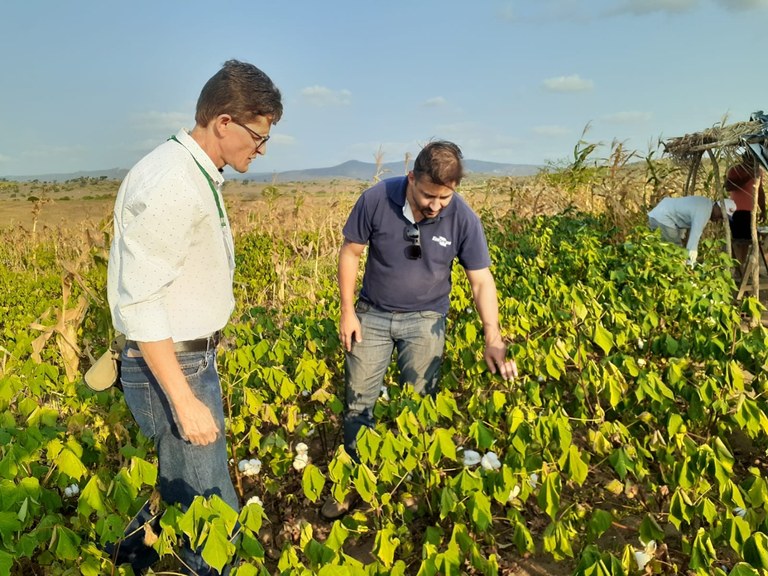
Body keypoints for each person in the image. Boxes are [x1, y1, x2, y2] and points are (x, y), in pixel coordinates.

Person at [107, 60, 282, 574]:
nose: (262, 148)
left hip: (183, 359)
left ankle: (126, 558)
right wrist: (183, 400)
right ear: (223, 122)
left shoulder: (192, 172)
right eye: (257, 135)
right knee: (209, 506)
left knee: (171, 486)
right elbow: (139, 301)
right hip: (174, 366)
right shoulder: (172, 183)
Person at [321, 140, 518, 520]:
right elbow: (350, 252)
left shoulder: (462, 216)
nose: (435, 205)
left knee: (419, 407)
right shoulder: (377, 198)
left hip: (426, 320)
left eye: (444, 197)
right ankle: (351, 486)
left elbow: (481, 281)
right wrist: (347, 312)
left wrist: (492, 336)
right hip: (371, 317)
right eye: (428, 195)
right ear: (411, 177)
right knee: (359, 405)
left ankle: (409, 484)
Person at [647, 196, 736, 266]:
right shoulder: (704, 211)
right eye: (721, 215)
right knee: (675, 251)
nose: (719, 219)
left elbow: (682, 215)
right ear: (718, 207)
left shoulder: (706, 203)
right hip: (663, 217)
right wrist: (691, 263)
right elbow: (694, 237)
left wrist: (681, 237)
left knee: (661, 249)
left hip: (659, 215)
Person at [726, 151, 765, 269]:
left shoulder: (758, 171)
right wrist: (748, 176)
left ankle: (742, 267)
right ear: (744, 159)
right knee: (737, 241)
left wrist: (763, 210)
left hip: (750, 211)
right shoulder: (735, 170)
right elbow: (729, 186)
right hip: (735, 211)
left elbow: (760, 191)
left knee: (747, 241)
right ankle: (735, 268)